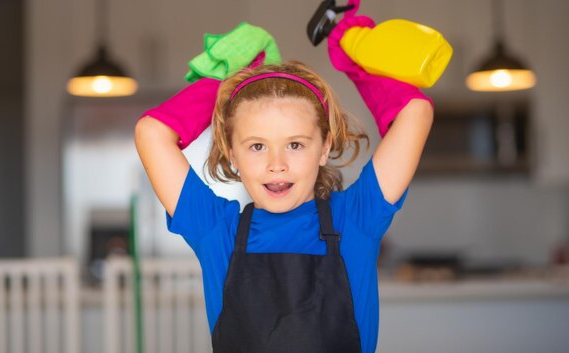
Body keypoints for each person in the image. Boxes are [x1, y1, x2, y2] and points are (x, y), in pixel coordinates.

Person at [135, 22, 433, 353]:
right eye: (257, 146)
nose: (276, 163)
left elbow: (414, 113)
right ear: (232, 153)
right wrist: (235, 75)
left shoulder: (356, 219)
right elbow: (152, 133)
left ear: (323, 149)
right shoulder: (217, 230)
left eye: (295, 145)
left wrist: (354, 51)